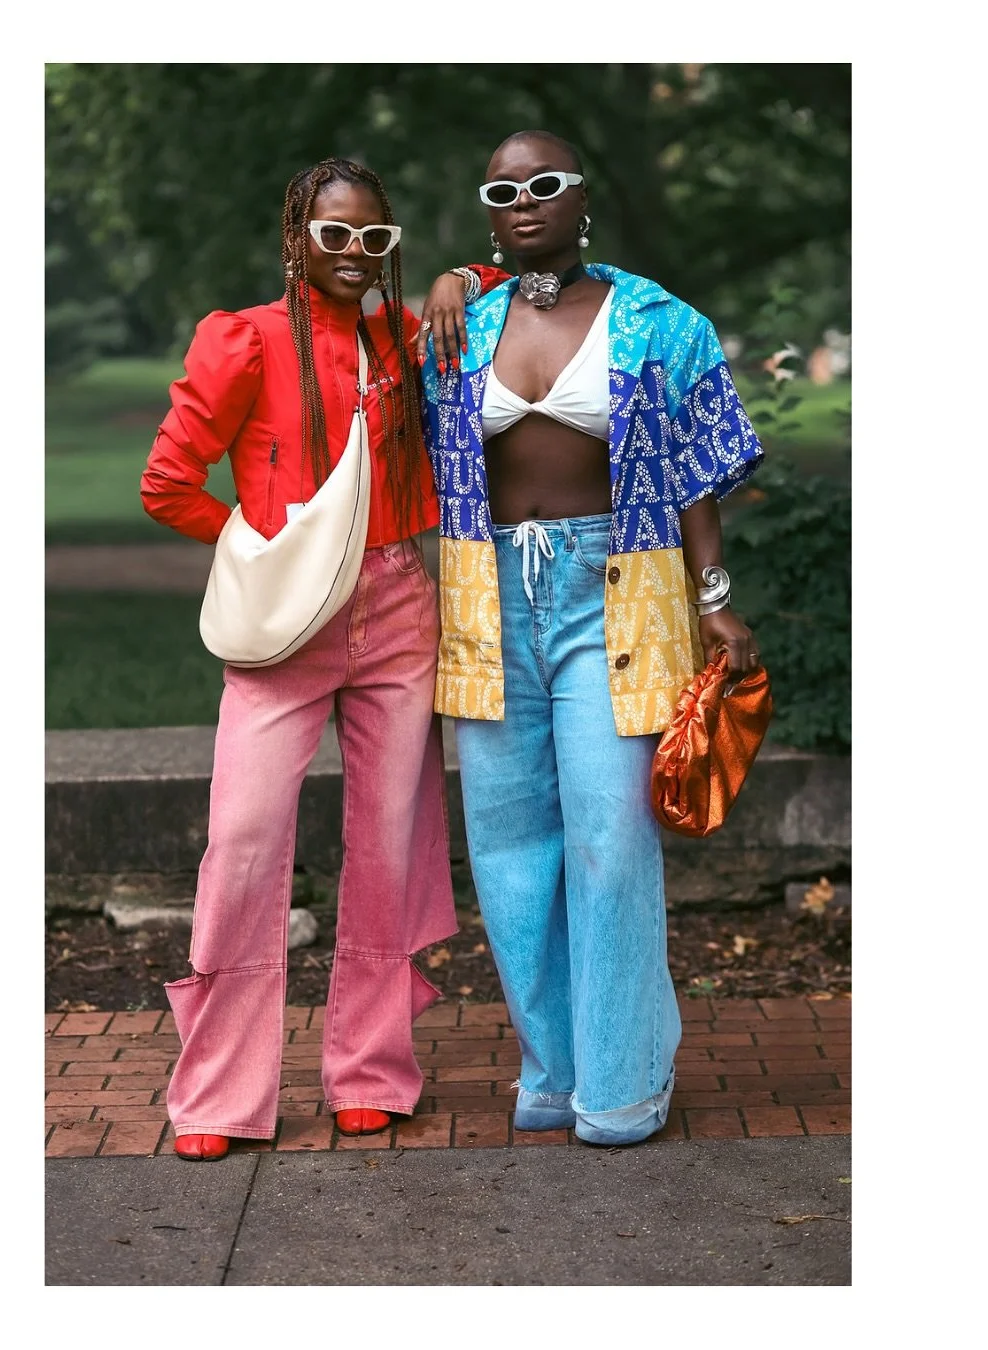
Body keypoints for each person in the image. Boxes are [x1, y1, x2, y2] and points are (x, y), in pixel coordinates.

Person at [417, 130, 765, 1146]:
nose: (524, 200)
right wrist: (450, 274)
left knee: (611, 841)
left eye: (545, 184)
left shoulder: (660, 320)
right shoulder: (462, 326)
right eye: (503, 189)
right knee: (512, 848)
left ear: (582, 199)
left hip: (615, 590)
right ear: (489, 213)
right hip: (487, 598)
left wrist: (714, 598)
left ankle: (623, 1079)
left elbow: (701, 470)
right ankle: (555, 1067)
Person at [140, 157, 475, 1159]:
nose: (355, 255)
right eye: (335, 235)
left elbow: (495, 304)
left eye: (375, 238)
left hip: (398, 606)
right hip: (287, 624)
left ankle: (369, 1070)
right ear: (297, 238)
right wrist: (257, 547)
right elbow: (168, 482)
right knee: (242, 844)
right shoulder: (239, 338)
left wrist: (458, 277)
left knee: (387, 841)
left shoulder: (404, 335)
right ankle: (217, 1094)